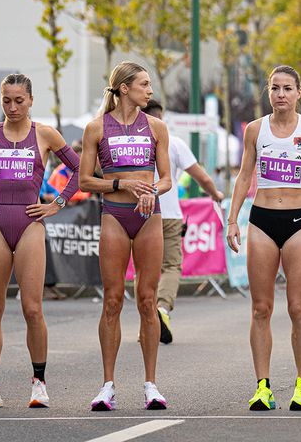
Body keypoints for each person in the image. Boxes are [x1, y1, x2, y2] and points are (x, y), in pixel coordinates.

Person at [0, 73, 80, 410]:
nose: (12, 107)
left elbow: (81, 167)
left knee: (32, 308)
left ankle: (39, 385)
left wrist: (58, 203)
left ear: (31, 100)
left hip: (30, 224)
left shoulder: (45, 134)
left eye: (19, 100)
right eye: (6, 101)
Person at [225, 65, 301, 412]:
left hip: (300, 221)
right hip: (262, 219)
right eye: (275, 88)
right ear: (268, 93)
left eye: (288, 88)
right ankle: (263, 386)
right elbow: (244, 176)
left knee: (298, 307)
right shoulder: (255, 130)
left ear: (299, 93)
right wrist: (232, 219)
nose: (281, 94)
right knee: (261, 308)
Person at [78, 62, 172, 412]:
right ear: (123, 89)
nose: (150, 91)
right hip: (114, 216)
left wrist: (152, 192)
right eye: (144, 85)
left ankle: (151, 385)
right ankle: (107, 385)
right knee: (113, 300)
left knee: (147, 300)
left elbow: (166, 179)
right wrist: (121, 184)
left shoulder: (157, 126)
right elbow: (85, 181)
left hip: (148, 217)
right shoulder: (96, 128)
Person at [143, 99, 224, 344]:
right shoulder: (174, 142)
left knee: (144, 270)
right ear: (162, 116)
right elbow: (200, 176)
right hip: (169, 214)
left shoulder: (133, 142)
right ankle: (162, 309)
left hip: (141, 212)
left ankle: (146, 324)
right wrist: (215, 195)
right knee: (170, 266)